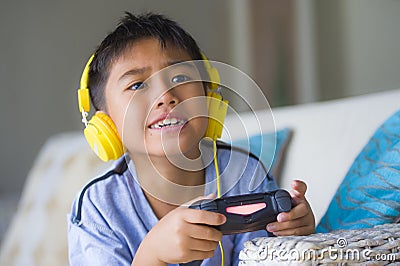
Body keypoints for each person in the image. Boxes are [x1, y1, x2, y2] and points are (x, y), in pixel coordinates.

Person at [68, 12, 315, 266]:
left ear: (209, 98)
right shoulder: (98, 207)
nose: (165, 95)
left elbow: (267, 257)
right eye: (137, 85)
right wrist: (153, 254)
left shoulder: (246, 176)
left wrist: (295, 233)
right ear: (105, 125)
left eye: (180, 78)